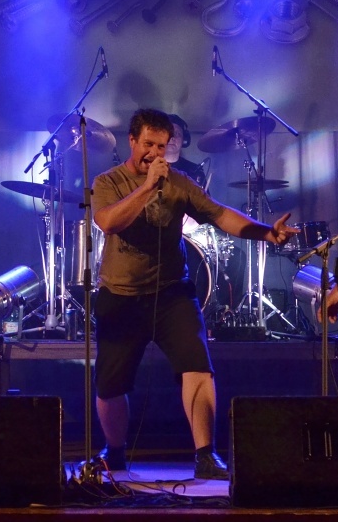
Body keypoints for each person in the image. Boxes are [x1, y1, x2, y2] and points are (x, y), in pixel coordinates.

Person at [89, 108, 297, 480]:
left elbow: (220, 214)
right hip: (121, 295)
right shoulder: (108, 181)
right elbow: (108, 222)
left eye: (162, 146)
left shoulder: (179, 182)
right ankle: (115, 452)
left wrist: (267, 233)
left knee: (197, 366)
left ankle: (205, 455)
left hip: (172, 294)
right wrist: (147, 187)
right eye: (148, 144)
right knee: (109, 384)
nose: (155, 153)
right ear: (132, 141)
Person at [166, 114, 208, 189]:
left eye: (177, 133)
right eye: (168, 133)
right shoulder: (148, 167)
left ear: (184, 140)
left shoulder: (195, 171)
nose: (172, 137)